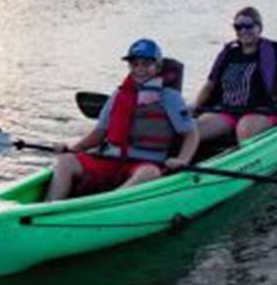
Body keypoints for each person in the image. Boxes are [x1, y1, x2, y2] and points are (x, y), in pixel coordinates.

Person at [45, 39, 200, 202]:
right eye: (135, 64)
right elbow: (99, 133)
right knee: (65, 161)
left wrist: (182, 160)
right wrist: (73, 148)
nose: (140, 69)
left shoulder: (170, 98)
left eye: (146, 64)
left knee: (150, 174)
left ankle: (107, 203)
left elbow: (191, 133)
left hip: (145, 162)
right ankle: (48, 207)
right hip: (111, 159)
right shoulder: (119, 95)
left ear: (158, 67)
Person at [192, 6, 277, 144]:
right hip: (227, 110)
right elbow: (209, 86)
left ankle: (240, 157)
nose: (243, 31)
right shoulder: (228, 54)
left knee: (244, 129)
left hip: (261, 111)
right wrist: (194, 107)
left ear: (259, 28)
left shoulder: (274, 54)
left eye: (248, 26)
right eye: (238, 27)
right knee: (193, 131)